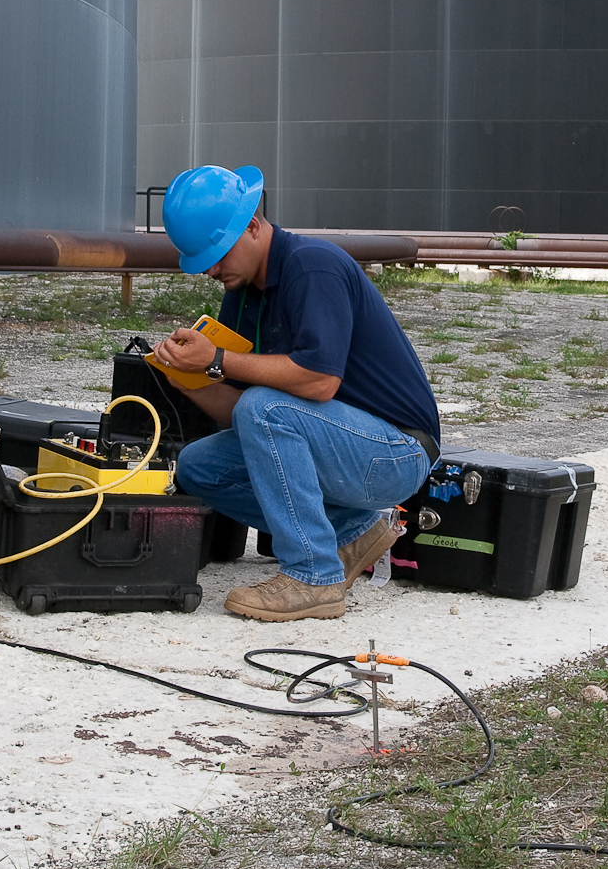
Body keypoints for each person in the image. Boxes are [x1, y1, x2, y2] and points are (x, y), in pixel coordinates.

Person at [151, 165, 440, 622]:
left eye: (218, 252)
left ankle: (313, 576)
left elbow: (319, 382)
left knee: (266, 407)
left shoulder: (313, 265)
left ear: (252, 225)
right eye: (202, 259)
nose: (210, 268)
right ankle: (351, 533)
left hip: (396, 452)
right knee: (198, 466)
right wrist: (188, 380)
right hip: (345, 446)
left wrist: (216, 361)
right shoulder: (243, 291)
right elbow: (241, 419)